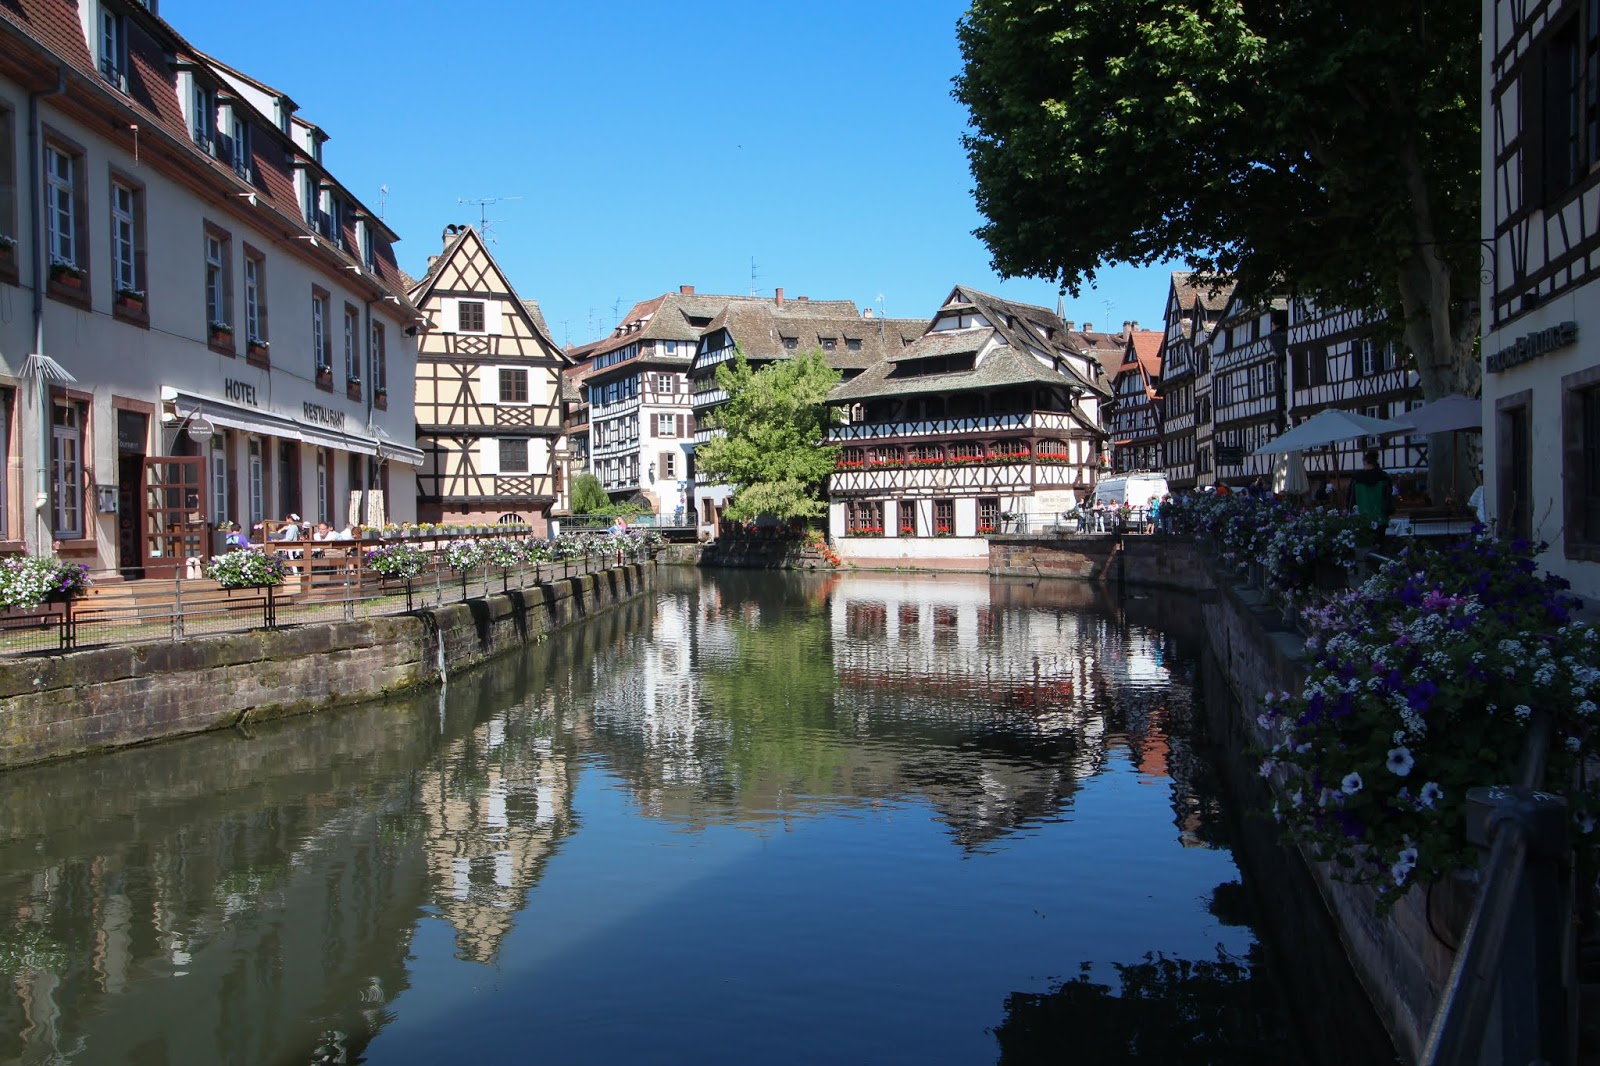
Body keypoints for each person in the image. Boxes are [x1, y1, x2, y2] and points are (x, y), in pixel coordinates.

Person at [1346, 449, 1394, 536]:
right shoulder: (1384, 477)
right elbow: (1389, 498)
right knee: (1379, 545)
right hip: (1380, 517)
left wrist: (1350, 511)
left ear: (1365, 462)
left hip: (1361, 519)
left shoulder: (1356, 478)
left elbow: (1350, 498)